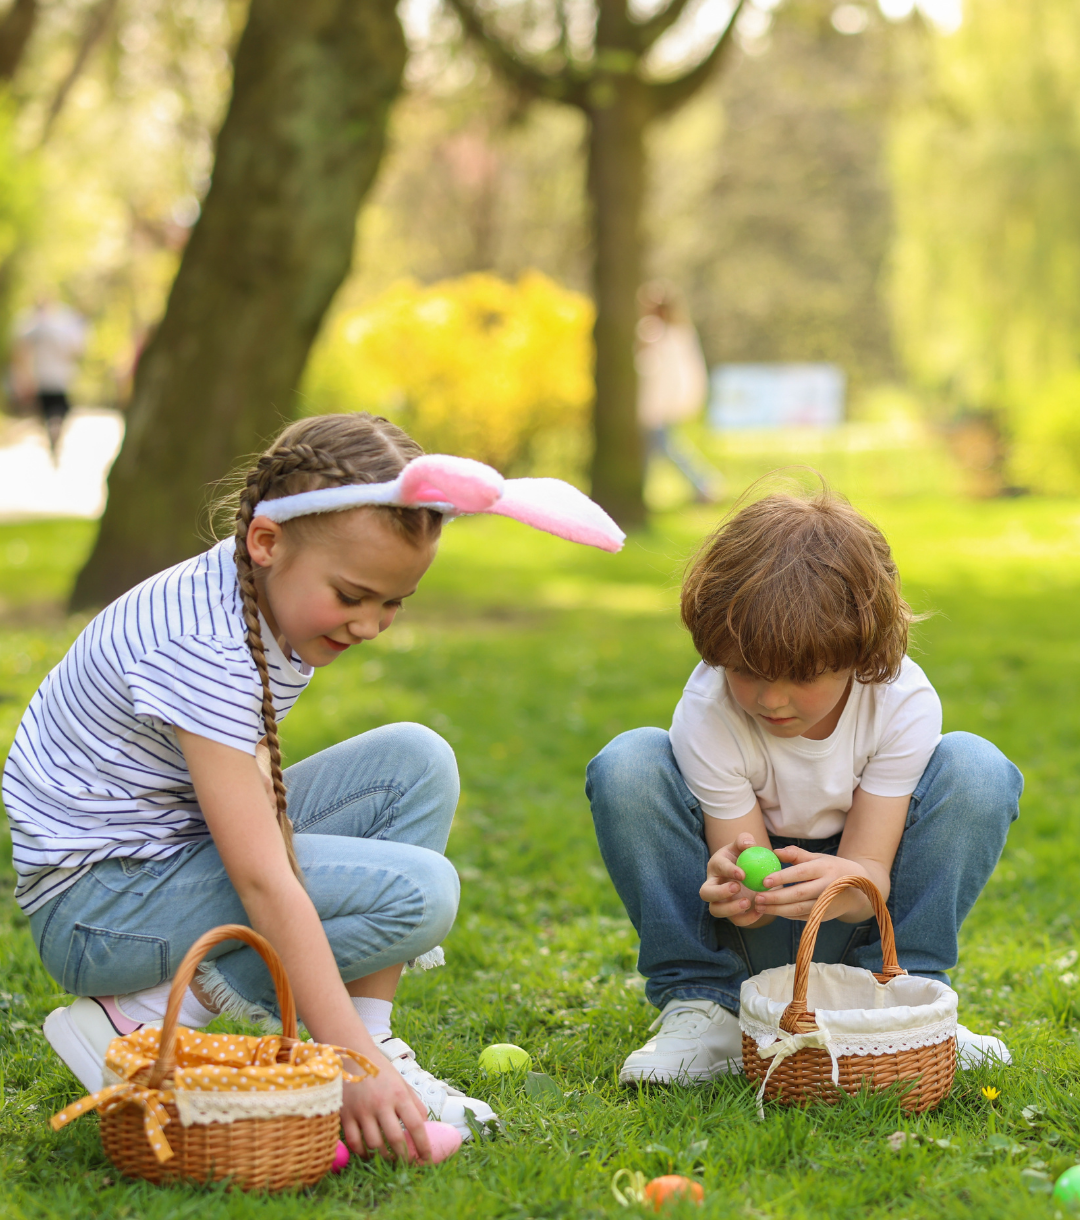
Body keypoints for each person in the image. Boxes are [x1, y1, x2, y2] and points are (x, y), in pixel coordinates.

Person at [1, 412, 623, 1161]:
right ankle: (143, 1016)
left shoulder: (252, 590)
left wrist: (354, 1040)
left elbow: (258, 788)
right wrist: (345, 1060)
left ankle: (368, 1037)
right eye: (353, 595)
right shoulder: (203, 646)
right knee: (418, 893)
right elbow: (263, 877)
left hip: (160, 861)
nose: (371, 625)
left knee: (415, 761)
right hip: (102, 911)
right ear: (267, 541)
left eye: (393, 602)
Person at [586, 482, 1021, 1084]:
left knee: (977, 768)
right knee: (629, 762)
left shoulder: (901, 701)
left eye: (802, 675)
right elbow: (754, 892)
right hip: (751, 945)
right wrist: (741, 894)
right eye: (746, 671)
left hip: (860, 920)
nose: (771, 699)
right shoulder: (709, 708)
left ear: (859, 654)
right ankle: (706, 1005)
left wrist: (841, 882)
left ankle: (901, 1000)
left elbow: (868, 875)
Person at [636, 281, 719, 505]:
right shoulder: (661, 332)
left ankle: (704, 484)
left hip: (658, 405)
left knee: (663, 447)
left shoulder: (669, 335)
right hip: (656, 404)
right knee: (657, 448)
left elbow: (666, 374)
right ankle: (703, 485)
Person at [12, 298, 87, 459]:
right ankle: (55, 432)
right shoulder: (63, 324)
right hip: (61, 379)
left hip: (42, 378)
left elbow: (22, 349)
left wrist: (23, 375)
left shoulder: (33, 327)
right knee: (59, 412)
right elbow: (75, 350)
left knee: (47, 413)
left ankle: (52, 432)